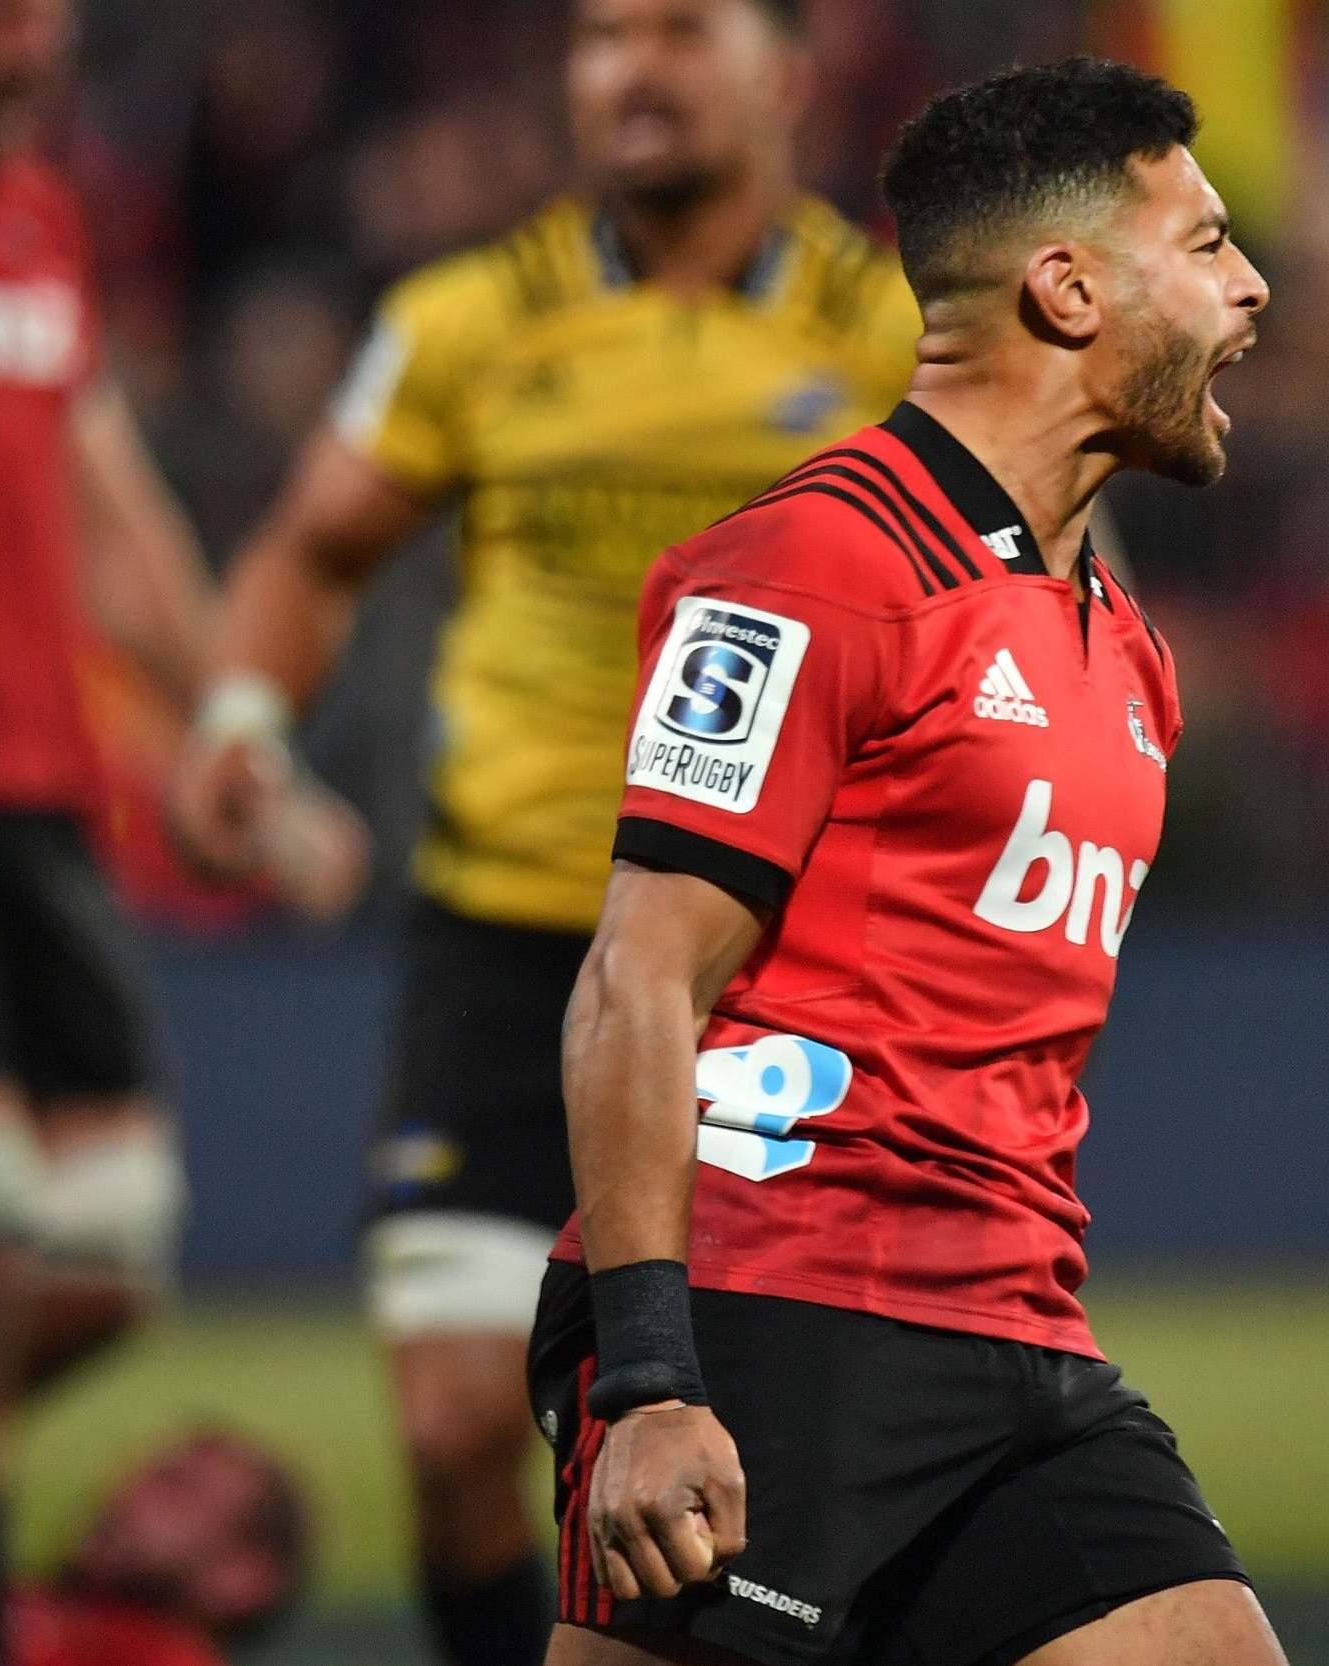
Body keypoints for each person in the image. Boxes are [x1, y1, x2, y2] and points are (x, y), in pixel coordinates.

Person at [167, 2, 919, 1661]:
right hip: (509, 939)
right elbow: (307, 553)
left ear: (789, 76)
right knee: (450, 1437)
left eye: (678, 28)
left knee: (761, 1466)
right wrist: (236, 719)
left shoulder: (890, 332)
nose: (628, 68)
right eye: (596, 36)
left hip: (764, 966)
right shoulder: (468, 317)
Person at [530, 54, 1284, 1666]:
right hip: (775, 1313)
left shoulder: (1126, 649)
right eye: (1206, 244)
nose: (1252, 286)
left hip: (1015, 1332)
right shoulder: (815, 564)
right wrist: (651, 1379)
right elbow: (638, 975)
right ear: (1068, 290)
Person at [0, 4, 356, 1662]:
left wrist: (240, 742)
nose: (31, 53)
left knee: (104, 1253)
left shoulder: (40, 217)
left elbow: (114, 536)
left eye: (49, 26)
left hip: (40, 809)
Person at [7, 1429, 308, 1666]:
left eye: (177, 1488)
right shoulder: (35, 1606)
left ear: (242, 1576)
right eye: (143, 1475)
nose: (129, 1493)